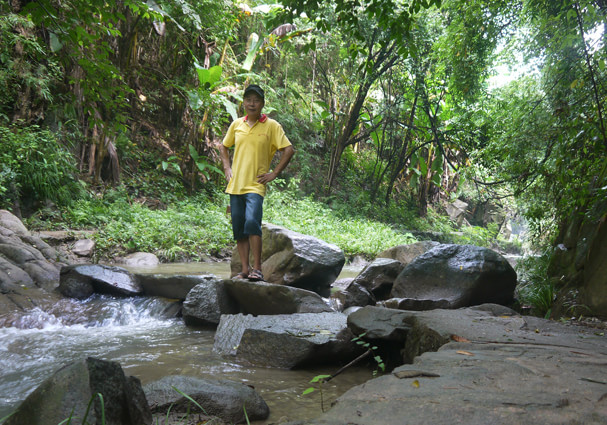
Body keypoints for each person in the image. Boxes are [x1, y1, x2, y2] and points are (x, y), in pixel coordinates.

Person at [219, 84, 295, 281]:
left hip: (255, 185)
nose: (252, 103)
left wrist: (274, 173)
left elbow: (288, 149)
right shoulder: (237, 125)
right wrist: (227, 168)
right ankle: (244, 270)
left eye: (256, 100)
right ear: (243, 102)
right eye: (248, 100)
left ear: (262, 104)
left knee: (252, 222)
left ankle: (257, 269)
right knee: (238, 226)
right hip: (236, 185)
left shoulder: (272, 126)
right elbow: (223, 146)